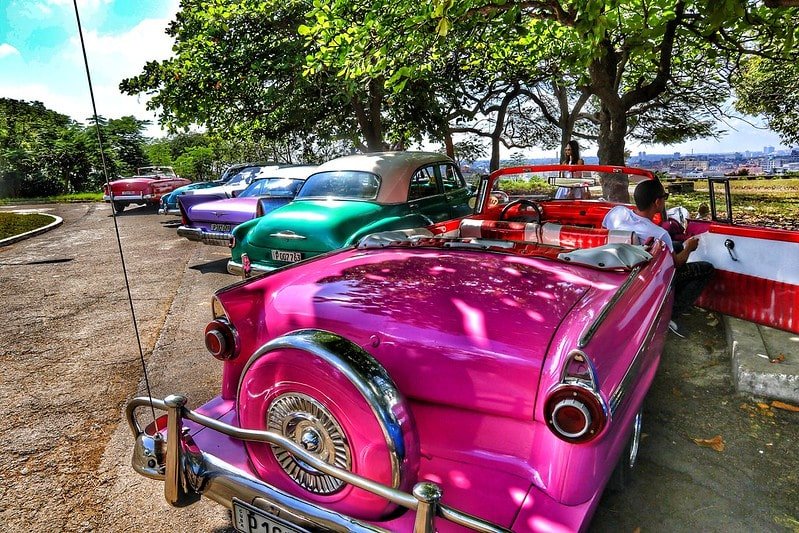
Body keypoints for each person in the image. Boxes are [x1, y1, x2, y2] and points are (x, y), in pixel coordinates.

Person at [602, 179, 714, 337]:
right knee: (706, 269)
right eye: (664, 197)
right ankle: (670, 314)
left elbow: (604, 232)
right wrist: (689, 248)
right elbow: (676, 264)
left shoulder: (617, 213)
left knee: (675, 245)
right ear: (657, 202)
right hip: (647, 278)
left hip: (618, 265)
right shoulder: (658, 234)